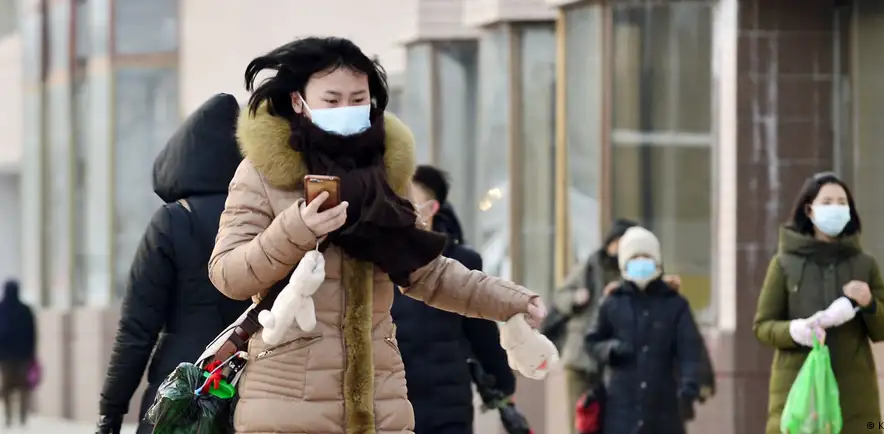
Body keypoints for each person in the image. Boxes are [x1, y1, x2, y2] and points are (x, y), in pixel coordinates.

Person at [208, 36, 546, 434]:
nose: (346, 110)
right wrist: (296, 229)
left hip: (379, 405)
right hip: (286, 404)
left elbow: (428, 272)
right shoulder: (263, 173)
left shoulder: (385, 175)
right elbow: (228, 275)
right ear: (299, 101)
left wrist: (512, 301)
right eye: (331, 100)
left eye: (357, 99)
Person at [96, 94, 252, 434]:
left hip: (179, 395)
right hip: (250, 389)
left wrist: (110, 411)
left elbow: (137, 331)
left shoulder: (172, 221)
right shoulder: (265, 220)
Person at [752, 172, 884, 434]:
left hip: (853, 401)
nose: (835, 208)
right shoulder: (784, 265)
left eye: (842, 203)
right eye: (827, 202)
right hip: (799, 399)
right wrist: (794, 331)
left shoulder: (865, 265)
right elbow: (762, 326)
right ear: (809, 210)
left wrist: (870, 303)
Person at [391, 165, 515, 434]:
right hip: (394, 407)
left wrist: (502, 381)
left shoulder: (462, 262)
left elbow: (481, 331)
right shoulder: (382, 262)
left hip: (448, 407)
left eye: (411, 202)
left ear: (432, 208)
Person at [552, 219, 682, 431]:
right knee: (583, 422)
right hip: (581, 360)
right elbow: (560, 296)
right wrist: (576, 298)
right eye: (619, 241)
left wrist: (665, 287)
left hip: (614, 361)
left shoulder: (634, 270)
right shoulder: (591, 266)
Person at [584, 227, 702, 434]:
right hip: (619, 408)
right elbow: (592, 341)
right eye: (634, 257)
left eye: (646, 256)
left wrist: (689, 388)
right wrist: (611, 349)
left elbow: (690, 350)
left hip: (664, 408)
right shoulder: (612, 303)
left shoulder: (675, 305)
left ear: (657, 260)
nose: (640, 262)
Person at [0, 279, 36, 429]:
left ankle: (9, 416)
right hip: (22, 355)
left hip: (6, 355)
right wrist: (32, 353)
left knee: (7, 387)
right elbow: (32, 334)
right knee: (23, 387)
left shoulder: (2, 309)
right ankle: (22, 415)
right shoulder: (25, 310)